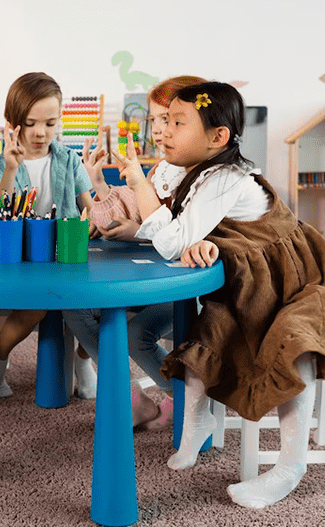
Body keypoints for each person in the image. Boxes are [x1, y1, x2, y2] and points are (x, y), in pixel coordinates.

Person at [117, 81, 325, 508]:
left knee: (291, 343)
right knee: (210, 330)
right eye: (163, 121)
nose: (164, 132)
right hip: (254, 278)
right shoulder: (197, 173)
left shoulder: (226, 177)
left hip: (297, 281)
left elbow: (174, 241)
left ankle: (291, 465)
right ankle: (196, 422)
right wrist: (200, 241)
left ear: (217, 137)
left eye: (177, 123)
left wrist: (141, 187)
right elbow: (194, 230)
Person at [63, 76, 207, 430]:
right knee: (75, 304)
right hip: (153, 277)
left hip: (188, 289)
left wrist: (137, 231)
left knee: (135, 334)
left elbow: (176, 232)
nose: (158, 130)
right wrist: (99, 184)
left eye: (169, 120)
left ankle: (182, 399)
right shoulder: (161, 170)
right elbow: (132, 210)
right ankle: (130, 398)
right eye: (154, 120)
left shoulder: (204, 177)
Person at [0, 72, 98, 399]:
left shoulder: (69, 159)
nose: (41, 132)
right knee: (34, 310)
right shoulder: (2, 164)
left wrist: (95, 218)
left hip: (66, 257)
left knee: (95, 307)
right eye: (30, 123)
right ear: (12, 124)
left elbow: (90, 207)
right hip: (24, 259)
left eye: (50, 123)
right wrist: (10, 169)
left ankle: (82, 362)